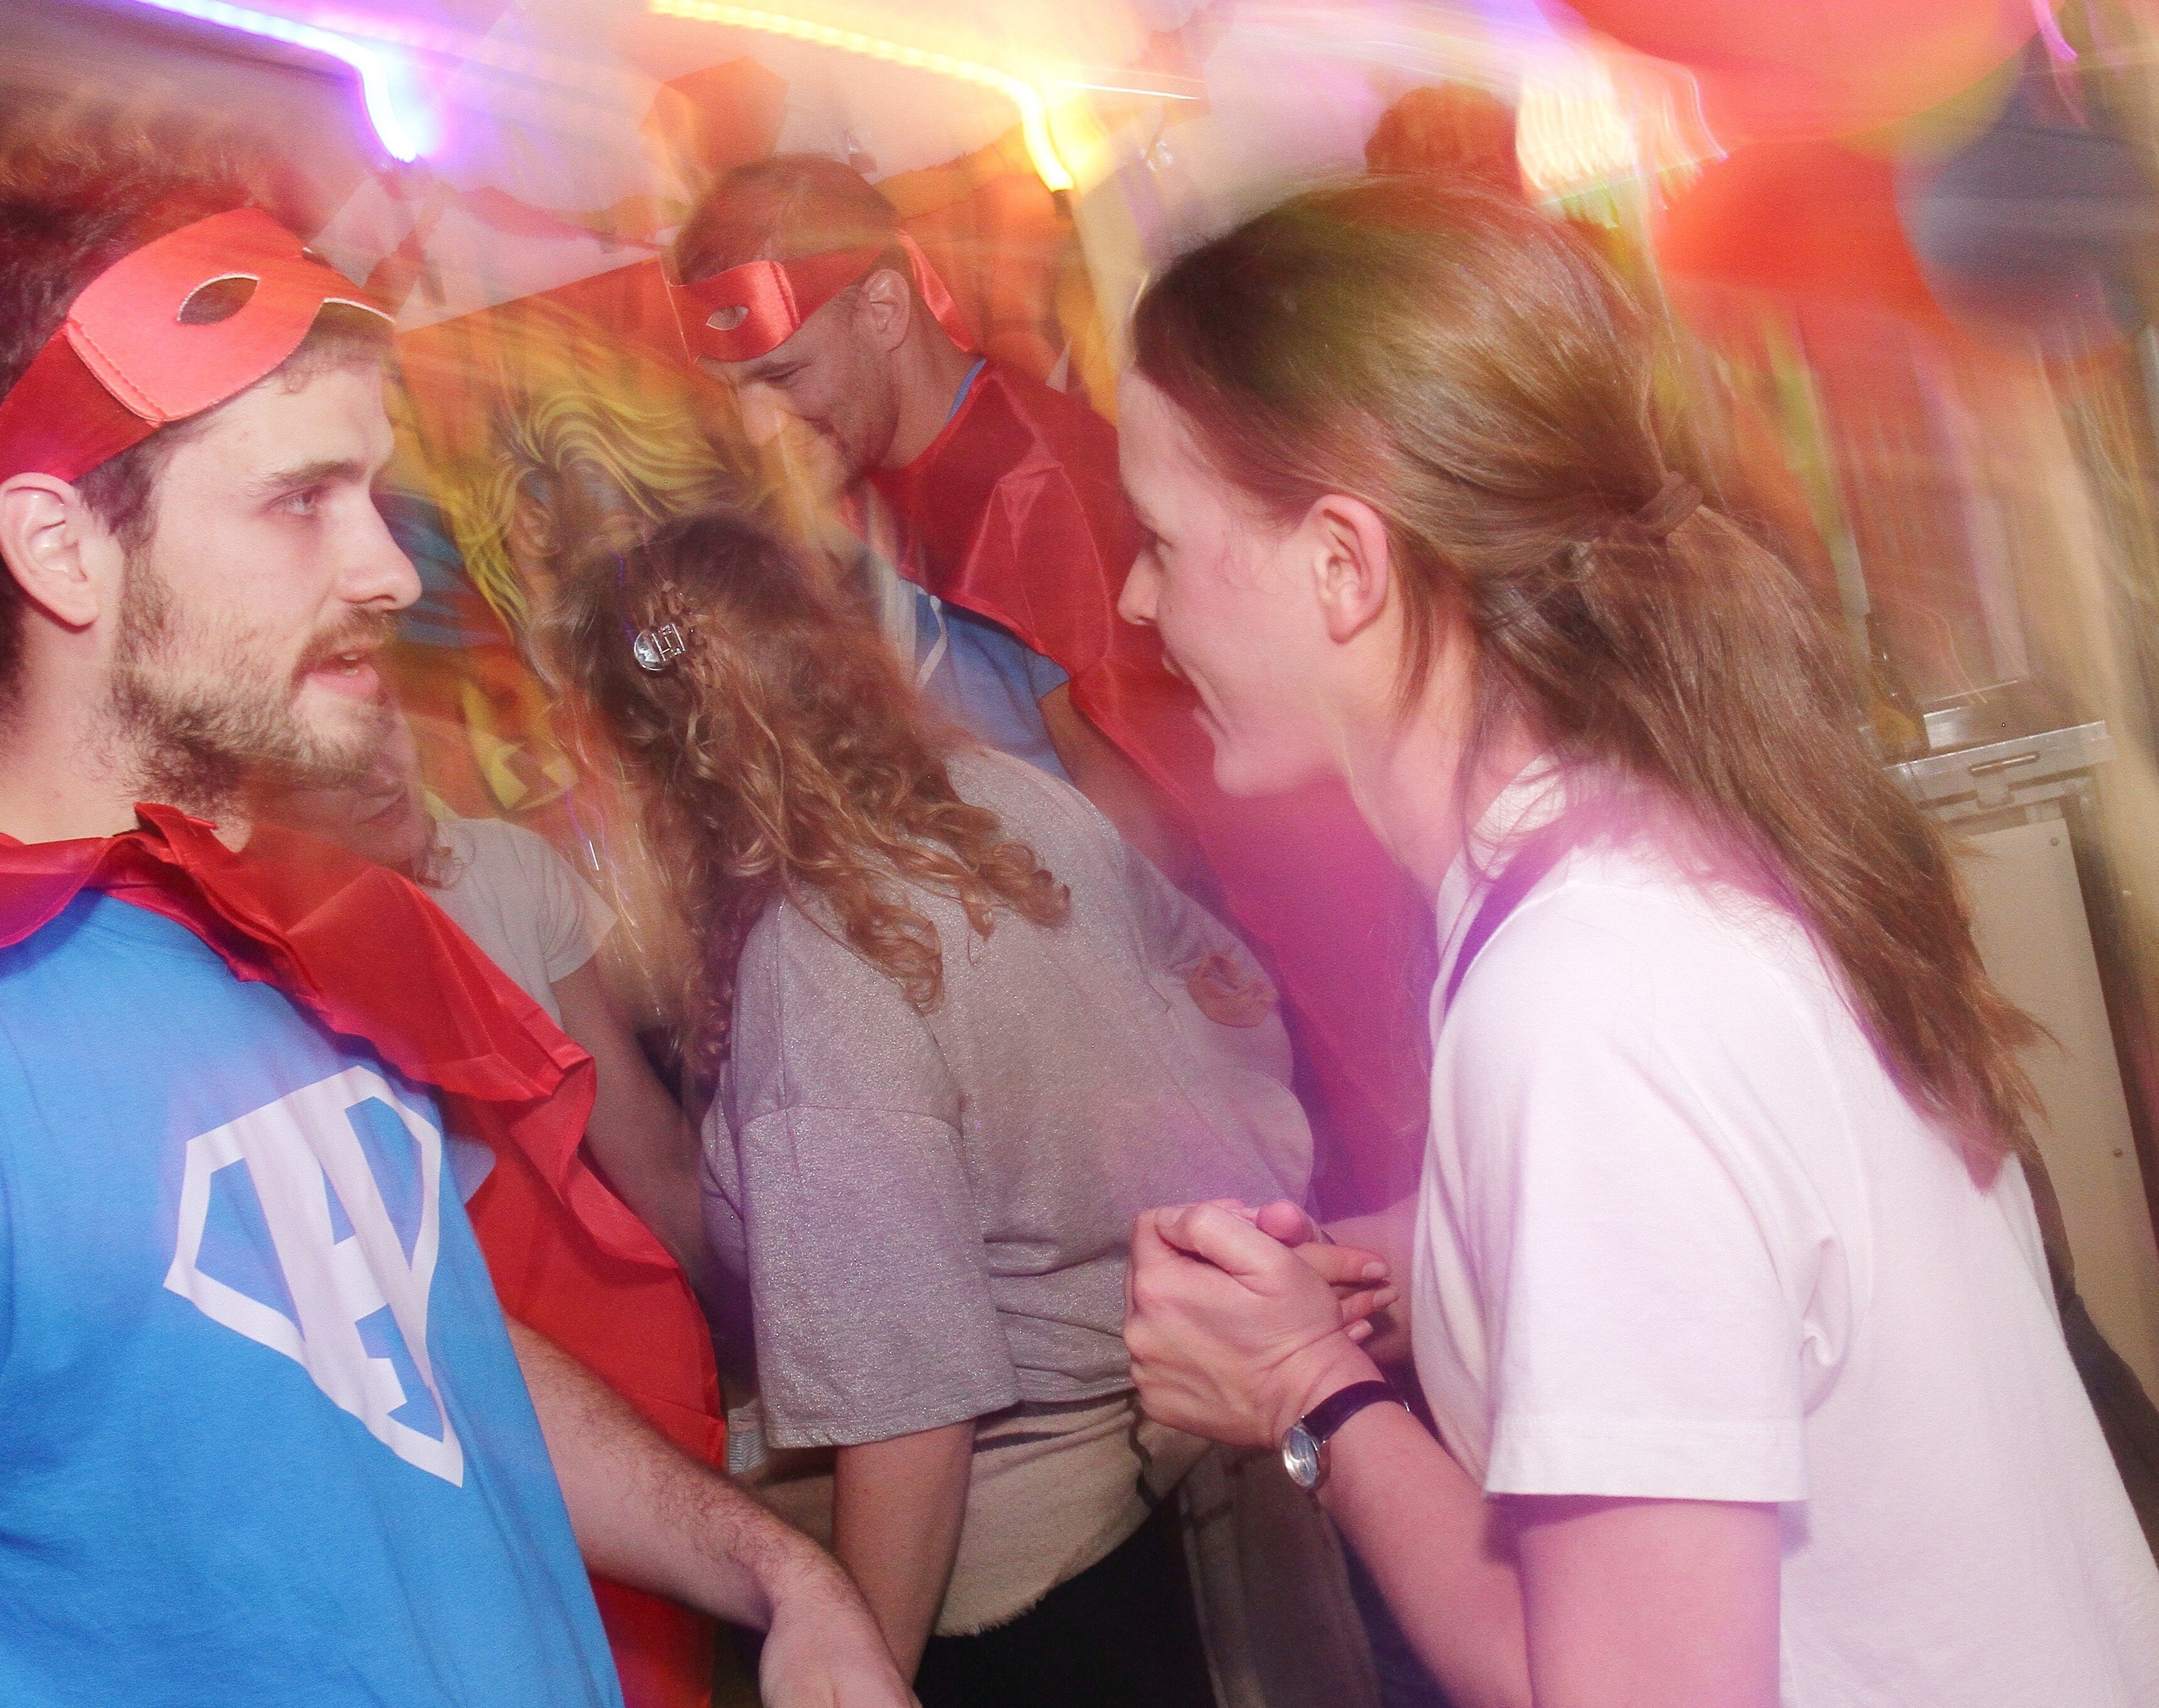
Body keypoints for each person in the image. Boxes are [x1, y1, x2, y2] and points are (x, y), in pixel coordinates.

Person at [0, 138, 909, 1708]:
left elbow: (413, 1351)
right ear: (61, 548)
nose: (386, 569)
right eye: (301, 500)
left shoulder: (266, 932)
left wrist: (780, 1573)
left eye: (373, 492)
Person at [1114, 179, 2159, 1707]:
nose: (1134, 598)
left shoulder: (1589, 998)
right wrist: (1440, 1252)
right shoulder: (1645, 842)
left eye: (1158, 537)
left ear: (1343, 563)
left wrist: (1306, 1392)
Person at [554, 512, 1384, 1707]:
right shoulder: (996, 797)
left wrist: (867, 1670)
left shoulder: (816, 974)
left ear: (646, 762)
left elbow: (912, 1418)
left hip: (1033, 1600)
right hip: (1200, 1500)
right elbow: (1228, 996)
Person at [666, 153, 1433, 1221]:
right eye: (734, 392)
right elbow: (679, 661)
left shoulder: (1029, 490)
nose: (757, 424)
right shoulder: (861, 485)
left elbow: (1151, 838)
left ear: (882, 307)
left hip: (1173, 1056)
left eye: (783, 377)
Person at [253, 692, 703, 1278]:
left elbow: (639, 1138)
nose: (383, 778)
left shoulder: (509, 864)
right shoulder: (255, 955)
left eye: (382, 726)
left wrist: (745, 1308)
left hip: (582, 1282)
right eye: (330, 768)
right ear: (260, 794)